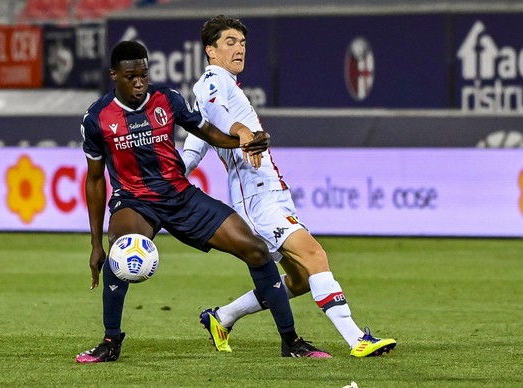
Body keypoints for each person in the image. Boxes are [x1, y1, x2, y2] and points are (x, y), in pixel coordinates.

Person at [75, 40, 331, 363]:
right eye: (130, 77)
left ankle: (290, 341)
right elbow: (95, 181)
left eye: (143, 74)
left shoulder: (167, 100)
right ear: (114, 75)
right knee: (121, 251)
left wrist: (245, 141)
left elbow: (208, 132)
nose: (139, 83)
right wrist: (96, 243)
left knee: (256, 249)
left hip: (181, 196)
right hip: (135, 201)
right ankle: (110, 341)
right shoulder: (96, 119)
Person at [182, 15, 397, 357]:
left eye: (243, 43)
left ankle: (222, 317)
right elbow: (213, 109)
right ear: (210, 50)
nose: (240, 49)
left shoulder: (224, 89)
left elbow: (193, 149)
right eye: (230, 42)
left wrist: (171, 171)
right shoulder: (212, 80)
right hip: (256, 198)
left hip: (269, 194)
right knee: (314, 254)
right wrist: (242, 132)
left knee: (297, 279)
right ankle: (357, 339)